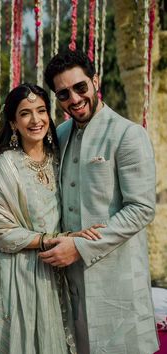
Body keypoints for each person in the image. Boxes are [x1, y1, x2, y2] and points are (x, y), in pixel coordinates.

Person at [40, 49, 159, 354]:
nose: (74, 99)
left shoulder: (128, 134)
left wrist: (79, 247)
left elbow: (141, 208)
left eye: (80, 87)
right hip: (70, 281)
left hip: (116, 278)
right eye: (64, 93)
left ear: (95, 81)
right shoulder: (60, 134)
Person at [0, 83, 103, 354]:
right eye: (25, 113)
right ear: (13, 123)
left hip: (53, 269)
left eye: (41, 110)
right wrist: (56, 240)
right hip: (16, 272)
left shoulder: (58, 158)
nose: (36, 119)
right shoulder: (7, 165)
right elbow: (3, 232)